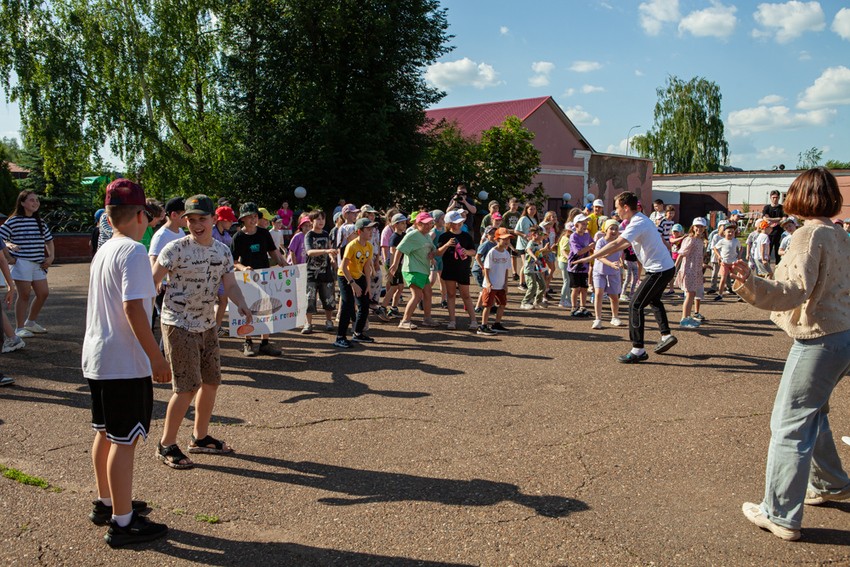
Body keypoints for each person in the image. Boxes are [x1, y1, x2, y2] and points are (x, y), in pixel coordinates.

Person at [733, 168, 850, 542]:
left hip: (820, 337)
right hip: (844, 333)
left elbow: (792, 290)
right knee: (813, 413)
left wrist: (748, 282)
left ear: (799, 197)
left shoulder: (808, 233)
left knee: (789, 424)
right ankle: (830, 483)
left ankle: (780, 513)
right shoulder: (839, 234)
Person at [82, 179, 170, 547]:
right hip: (123, 361)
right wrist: (156, 356)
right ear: (138, 215)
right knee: (125, 439)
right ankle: (122, 521)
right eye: (147, 216)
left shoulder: (104, 249)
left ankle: (107, 502)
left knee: (105, 432)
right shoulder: (134, 252)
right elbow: (134, 307)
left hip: (99, 357)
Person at [153, 195, 252, 470]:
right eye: (191, 219)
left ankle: (199, 436)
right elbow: (151, 282)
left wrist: (242, 305)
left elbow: (229, 285)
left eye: (202, 219)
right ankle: (166, 443)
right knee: (187, 386)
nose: (196, 224)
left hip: (207, 324)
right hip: (178, 324)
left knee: (211, 381)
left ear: (213, 220)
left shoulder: (222, 251)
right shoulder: (175, 249)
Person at [574, 191, 678, 364]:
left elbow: (615, 244)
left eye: (617, 208)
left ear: (626, 207)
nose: (616, 211)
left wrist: (590, 257)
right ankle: (666, 335)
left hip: (660, 270)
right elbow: (621, 244)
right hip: (663, 268)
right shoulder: (639, 220)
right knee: (654, 300)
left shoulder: (638, 222)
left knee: (635, 304)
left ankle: (638, 350)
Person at [231, 202, 285, 356]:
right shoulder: (238, 237)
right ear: (243, 219)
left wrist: (282, 262)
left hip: (265, 277)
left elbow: (273, 251)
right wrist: (243, 268)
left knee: (266, 308)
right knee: (248, 309)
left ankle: (265, 343)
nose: (253, 219)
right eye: (250, 217)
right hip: (246, 279)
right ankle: (247, 342)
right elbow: (233, 261)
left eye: (255, 216)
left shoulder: (264, 233)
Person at [0, 191, 54, 339]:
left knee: (43, 293)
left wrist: (51, 257)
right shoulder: (13, 221)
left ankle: (30, 322)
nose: (35, 203)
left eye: (37, 200)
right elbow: (1, 238)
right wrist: (9, 252)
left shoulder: (40, 222)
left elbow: (48, 241)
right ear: (22, 203)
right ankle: (19, 328)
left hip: (38, 263)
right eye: (31, 200)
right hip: (21, 263)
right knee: (24, 295)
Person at [391, 212, 438, 330]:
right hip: (412, 270)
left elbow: (431, 250)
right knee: (417, 295)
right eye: (425, 224)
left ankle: (427, 319)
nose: (428, 226)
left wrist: (432, 258)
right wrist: (394, 265)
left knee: (428, 293)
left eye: (430, 223)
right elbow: (399, 249)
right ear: (418, 224)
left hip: (423, 270)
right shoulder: (412, 235)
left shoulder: (427, 236)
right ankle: (405, 321)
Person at [334, 218, 377, 348]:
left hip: (358, 276)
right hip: (345, 277)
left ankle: (358, 333)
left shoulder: (369, 246)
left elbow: (367, 267)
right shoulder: (352, 246)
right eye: (368, 229)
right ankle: (340, 337)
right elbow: (343, 267)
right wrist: (353, 284)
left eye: (372, 229)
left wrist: (368, 285)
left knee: (364, 304)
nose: (371, 232)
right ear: (359, 231)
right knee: (348, 305)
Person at [436, 210, 478, 330]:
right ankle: (452, 321)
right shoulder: (444, 236)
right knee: (451, 294)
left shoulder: (466, 235)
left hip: (463, 269)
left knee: (466, 295)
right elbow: (438, 253)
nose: (458, 224)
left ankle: (474, 321)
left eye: (459, 221)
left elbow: (474, 252)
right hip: (449, 269)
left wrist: (467, 251)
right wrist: (447, 244)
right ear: (449, 224)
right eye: (455, 222)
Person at [302, 210, 337, 334]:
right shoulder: (309, 235)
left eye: (323, 219)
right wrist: (326, 251)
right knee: (309, 299)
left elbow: (329, 249)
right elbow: (309, 252)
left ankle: (329, 321)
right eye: (318, 219)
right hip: (311, 272)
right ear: (311, 222)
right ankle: (308, 323)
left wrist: (332, 258)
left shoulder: (326, 234)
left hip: (326, 272)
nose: (321, 221)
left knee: (328, 298)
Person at [478, 228, 512, 335]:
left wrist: (506, 284)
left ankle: (497, 324)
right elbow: (486, 268)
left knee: (502, 304)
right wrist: (488, 282)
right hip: (491, 284)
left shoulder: (506, 253)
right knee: (488, 305)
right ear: (497, 239)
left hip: (501, 285)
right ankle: (483, 325)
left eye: (508, 239)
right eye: (504, 239)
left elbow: (506, 269)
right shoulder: (492, 252)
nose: (506, 241)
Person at [591, 219, 623, 329]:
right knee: (599, 293)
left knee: (614, 296)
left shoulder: (619, 241)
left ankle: (615, 317)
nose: (614, 231)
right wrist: (610, 264)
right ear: (606, 229)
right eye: (611, 228)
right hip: (600, 271)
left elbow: (620, 253)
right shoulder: (601, 241)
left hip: (613, 272)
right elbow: (599, 256)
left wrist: (621, 262)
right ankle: (598, 319)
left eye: (616, 229)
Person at [675, 218, 707, 327]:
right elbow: (681, 254)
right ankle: (684, 318)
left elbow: (700, 257)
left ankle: (688, 317)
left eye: (702, 226)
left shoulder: (700, 240)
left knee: (692, 294)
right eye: (697, 226)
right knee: (689, 294)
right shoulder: (690, 239)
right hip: (689, 270)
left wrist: (701, 272)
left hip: (696, 270)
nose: (699, 228)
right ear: (693, 227)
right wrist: (674, 268)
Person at [378, 213, 408, 320]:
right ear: (395, 225)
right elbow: (392, 254)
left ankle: (394, 309)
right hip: (392, 265)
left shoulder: (403, 235)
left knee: (400, 287)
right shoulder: (394, 237)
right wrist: (392, 268)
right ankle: (382, 307)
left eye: (405, 223)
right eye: (402, 223)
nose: (405, 225)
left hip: (398, 265)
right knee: (394, 286)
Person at [567, 214, 593, 317]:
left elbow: (593, 244)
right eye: (582, 223)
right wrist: (589, 247)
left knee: (584, 288)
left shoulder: (587, 235)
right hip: (574, 267)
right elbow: (578, 252)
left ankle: (583, 306)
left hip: (584, 267)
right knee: (576, 288)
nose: (585, 226)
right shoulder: (573, 236)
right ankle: (574, 307)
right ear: (576, 225)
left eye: (586, 223)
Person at [519, 226, 550, 310]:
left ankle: (538, 301)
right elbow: (528, 250)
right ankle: (525, 302)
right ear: (533, 234)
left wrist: (547, 250)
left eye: (542, 234)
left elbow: (538, 254)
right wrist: (535, 258)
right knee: (532, 286)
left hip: (536, 269)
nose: (542, 236)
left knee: (543, 286)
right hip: (529, 269)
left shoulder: (537, 244)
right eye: (540, 234)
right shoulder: (531, 243)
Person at [712, 222, 742, 302]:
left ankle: (739, 295)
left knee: (737, 278)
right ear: (724, 232)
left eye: (732, 232)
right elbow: (715, 248)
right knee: (723, 279)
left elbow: (741, 248)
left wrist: (739, 255)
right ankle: (720, 294)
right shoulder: (722, 241)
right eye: (729, 231)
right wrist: (718, 256)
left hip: (733, 262)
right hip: (724, 262)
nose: (731, 233)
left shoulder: (736, 241)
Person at [514, 202, 539, 290]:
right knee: (525, 263)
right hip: (523, 245)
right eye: (530, 209)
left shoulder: (535, 220)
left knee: (529, 263)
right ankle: (521, 283)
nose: (532, 211)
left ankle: (526, 281)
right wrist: (524, 235)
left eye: (534, 209)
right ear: (526, 210)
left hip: (531, 245)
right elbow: (516, 231)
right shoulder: (523, 219)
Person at [502, 198, 522, 281]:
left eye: (516, 205)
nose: (514, 206)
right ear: (509, 205)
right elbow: (503, 227)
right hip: (508, 237)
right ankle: (505, 271)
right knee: (506, 255)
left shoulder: (518, 214)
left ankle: (515, 272)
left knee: (514, 255)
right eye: (513, 204)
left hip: (516, 237)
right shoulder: (506, 215)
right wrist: (512, 231)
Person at [762, 189, 784, 263]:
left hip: (779, 232)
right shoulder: (767, 208)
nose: (775, 199)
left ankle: (778, 268)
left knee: (778, 251)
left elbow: (784, 218)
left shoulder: (782, 208)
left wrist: (777, 221)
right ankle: (767, 270)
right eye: (773, 197)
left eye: (777, 197)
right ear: (770, 197)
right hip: (769, 233)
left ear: (779, 198)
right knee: (767, 251)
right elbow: (765, 217)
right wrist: (772, 220)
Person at [556, 222, 574, 309]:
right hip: (565, 262)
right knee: (567, 281)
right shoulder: (566, 239)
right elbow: (563, 250)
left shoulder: (563, 238)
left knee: (567, 281)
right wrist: (569, 258)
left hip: (563, 261)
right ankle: (563, 300)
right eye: (570, 231)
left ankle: (567, 299)